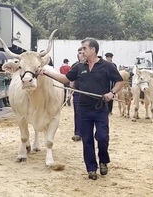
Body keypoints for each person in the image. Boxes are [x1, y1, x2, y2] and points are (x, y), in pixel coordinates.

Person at [40, 38, 123, 180]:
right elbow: (64, 79)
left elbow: (120, 81)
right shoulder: (78, 67)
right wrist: (46, 72)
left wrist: (112, 93)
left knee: (102, 137)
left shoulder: (106, 66)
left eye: (84, 48)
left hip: (100, 108)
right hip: (83, 110)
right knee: (87, 140)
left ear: (93, 50)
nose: (82, 51)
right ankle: (91, 169)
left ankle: (103, 160)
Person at [69, 47, 85, 142]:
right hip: (77, 93)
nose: (81, 55)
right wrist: (70, 91)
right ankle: (78, 133)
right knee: (77, 113)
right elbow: (71, 79)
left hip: (89, 94)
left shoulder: (91, 65)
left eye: (83, 53)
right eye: (79, 53)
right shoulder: (75, 66)